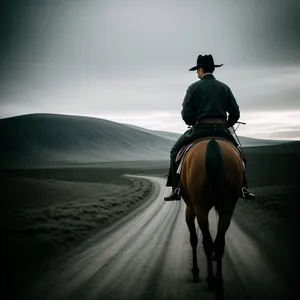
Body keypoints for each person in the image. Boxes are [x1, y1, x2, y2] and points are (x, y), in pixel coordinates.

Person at [164, 54, 256, 201]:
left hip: (199, 130)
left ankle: (176, 189)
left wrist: (192, 121)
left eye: (197, 70)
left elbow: (186, 114)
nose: (196, 73)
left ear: (201, 69)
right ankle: (244, 188)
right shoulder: (224, 88)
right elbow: (235, 113)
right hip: (221, 130)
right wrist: (227, 124)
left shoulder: (193, 88)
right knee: (240, 155)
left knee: (174, 152)